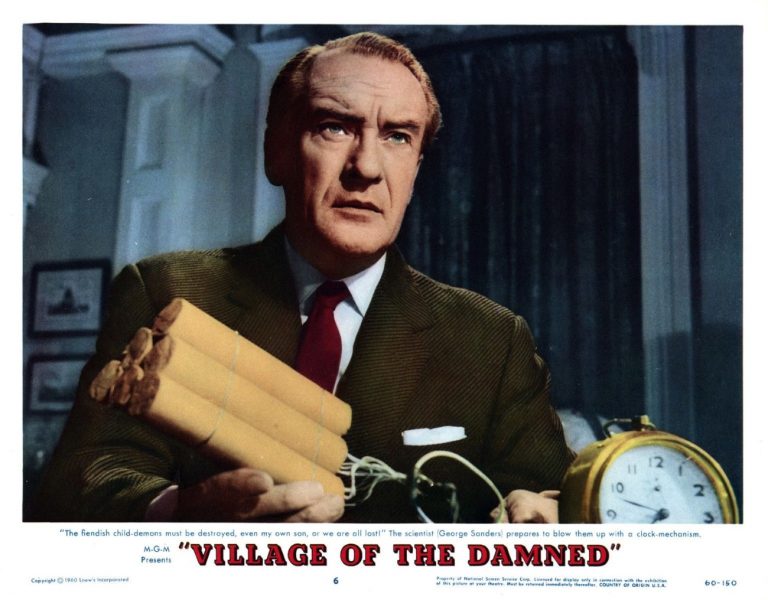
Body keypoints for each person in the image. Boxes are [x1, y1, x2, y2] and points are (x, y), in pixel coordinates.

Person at [33, 32, 573, 523]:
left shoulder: (491, 339)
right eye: (334, 127)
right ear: (277, 152)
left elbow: (559, 500)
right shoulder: (167, 292)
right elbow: (83, 480)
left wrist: (548, 516)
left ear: (415, 170)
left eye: (397, 137)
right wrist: (182, 512)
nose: (366, 167)